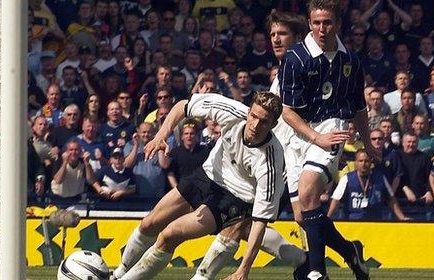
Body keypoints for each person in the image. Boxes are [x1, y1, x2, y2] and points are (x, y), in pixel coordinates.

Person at [115, 91, 285, 280]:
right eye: (253, 116)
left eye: (264, 121)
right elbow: (183, 106)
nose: (255, 125)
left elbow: (260, 221)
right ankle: (117, 274)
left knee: (169, 235)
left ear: (273, 125)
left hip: (236, 197)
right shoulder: (231, 111)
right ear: (248, 112)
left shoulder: (271, 162)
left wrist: (243, 270)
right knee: (149, 224)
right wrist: (161, 135)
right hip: (207, 175)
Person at [192, 10, 310, 280]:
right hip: (264, 160)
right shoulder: (283, 73)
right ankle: (302, 260)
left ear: (299, 38)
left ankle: (204, 278)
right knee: (243, 226)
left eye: (282, 34)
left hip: (281, 163)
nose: (276, 40)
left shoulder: (301, 71)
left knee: (240, 224)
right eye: (273, 35)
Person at [278, 1, 371, 279]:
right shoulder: (295, 57)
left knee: (308, 192)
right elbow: (287, 111)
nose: (322, 28)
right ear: (309, 23)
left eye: (327, 22)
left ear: (337, 24)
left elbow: (358, 108)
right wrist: (313, 136)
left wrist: (367, 143)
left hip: (332, 128)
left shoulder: (351, 61)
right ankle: (349, 251)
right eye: (317, 22)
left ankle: (317, 272)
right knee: (302, 215)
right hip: (299, 135)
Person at [328, 150, 410, 221]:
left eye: (366, 161)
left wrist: (402, 217)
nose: (363, 164)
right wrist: (328, 217)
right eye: (360, 161)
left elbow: (391, 199)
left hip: (375, 222)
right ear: (355, 163)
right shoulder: (346, 179)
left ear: (371, 162)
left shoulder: (381, 178)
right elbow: (336, 200)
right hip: (352, 222)